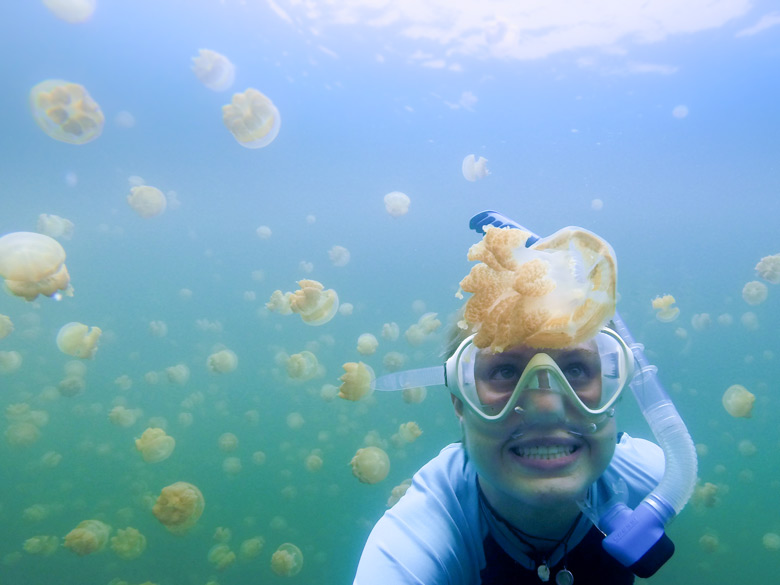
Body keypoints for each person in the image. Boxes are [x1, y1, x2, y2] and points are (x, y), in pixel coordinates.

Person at [353, 220, 674, 585]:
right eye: (505, 372)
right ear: (460, 399)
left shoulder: (652, 478)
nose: (546, 407)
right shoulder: (425, 531)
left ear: (614, 387)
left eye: (575, 369)